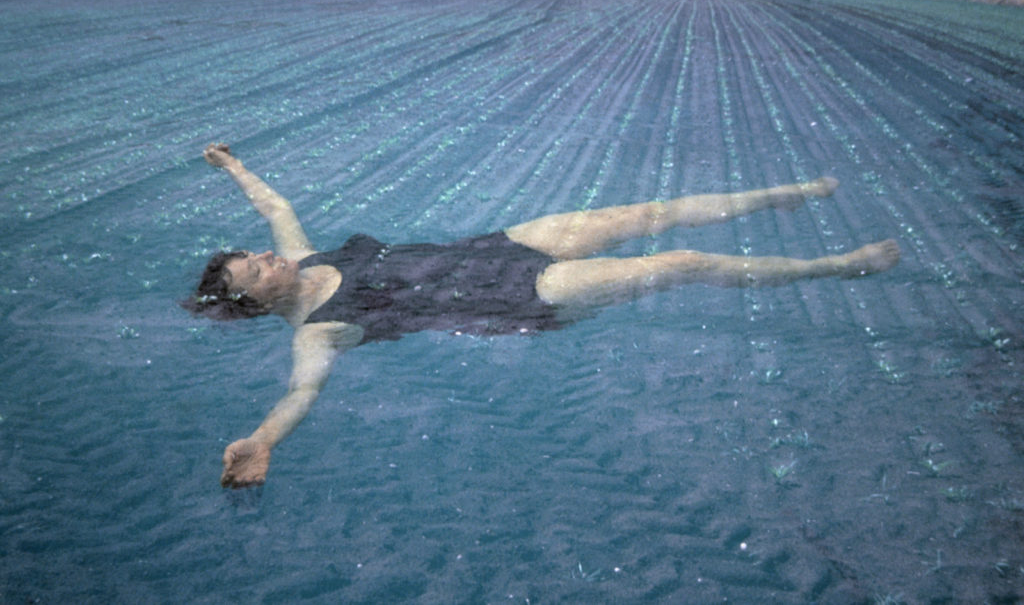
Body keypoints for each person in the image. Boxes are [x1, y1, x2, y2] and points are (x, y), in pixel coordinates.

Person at [186, 142, 900, 488]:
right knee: (679, 263)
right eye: (259, 269)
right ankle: (836, 266)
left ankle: (785, 194)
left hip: (500, 246)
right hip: (520, 297)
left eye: (261, 255)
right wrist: (264, 439)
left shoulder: (303, 260)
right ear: (255, 301)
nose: (271, 258)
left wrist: (232, 166)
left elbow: (275, 208)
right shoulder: (319, 329)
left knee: (645, 213)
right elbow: (302, 390)